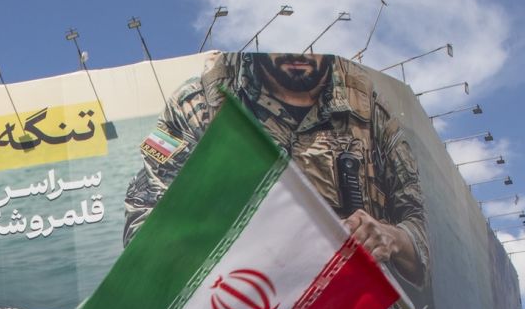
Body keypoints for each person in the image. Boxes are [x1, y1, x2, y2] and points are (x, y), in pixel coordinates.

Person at [123, 52, 428, 287]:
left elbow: (418, 243)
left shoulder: (368, 106)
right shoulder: (197, 102)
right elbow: (142, 229)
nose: (299, 56)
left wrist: (389, 237)